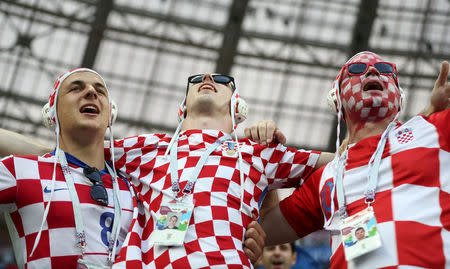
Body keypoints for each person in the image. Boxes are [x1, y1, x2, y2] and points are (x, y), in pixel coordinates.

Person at [0, 73, 313, 268]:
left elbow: (348, 162)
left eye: (99, 89)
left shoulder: (127, 187)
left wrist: (256, 225)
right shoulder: (143, 151)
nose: (206, 77)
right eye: (76, 88)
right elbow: (57, 153)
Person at [262, 51, 450, 268]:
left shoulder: (435, 130)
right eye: (357, 70)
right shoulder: (326, 177)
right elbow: (265, 230)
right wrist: (266, 157)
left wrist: (430, 112)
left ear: (399, 97)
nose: (373, 71)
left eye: (386, 70)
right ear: (337, 99)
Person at [0, 68, 136, 268]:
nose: (91, 92)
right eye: (75, 88)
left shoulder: (135, 187)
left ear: (110, 115)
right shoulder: (20, 171)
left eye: (100, 91)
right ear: (52, 113)